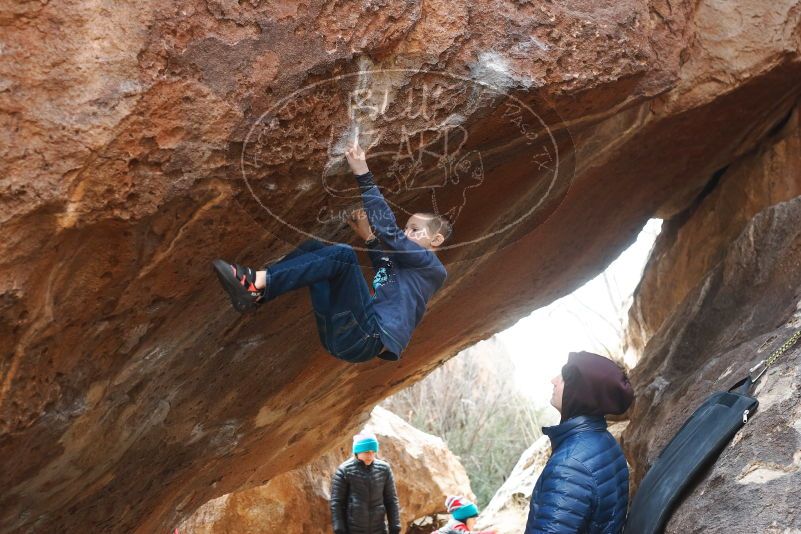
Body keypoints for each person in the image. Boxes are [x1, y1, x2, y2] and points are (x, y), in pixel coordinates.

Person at [212, 141, 450, 362]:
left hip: (367, 337)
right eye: (406, 228)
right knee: (314, 249)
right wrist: (369, 238)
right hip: (341, 334)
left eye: (415, 229)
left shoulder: (433, 268)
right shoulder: (411, 270)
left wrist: (363, 174)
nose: (406, 232)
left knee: (343, 256)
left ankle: (256, 282)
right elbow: (385, 271)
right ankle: (257, 294)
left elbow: (390, 233)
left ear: (436, 239)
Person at [524, 351, 634, 534]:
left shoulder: (569, 468)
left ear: (581, 391)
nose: (554, 380)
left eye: (565, 376)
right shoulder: (605, 440)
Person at [330, 432, 401, 534]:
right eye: (367, 452)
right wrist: (339, 528)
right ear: (357, 451)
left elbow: (391, 500)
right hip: (353, 530)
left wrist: (395, 526)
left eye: (373, 452)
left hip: (379, 529)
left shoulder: (384, 469)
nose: (371, 455)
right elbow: (337, 502)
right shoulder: (344, 470)